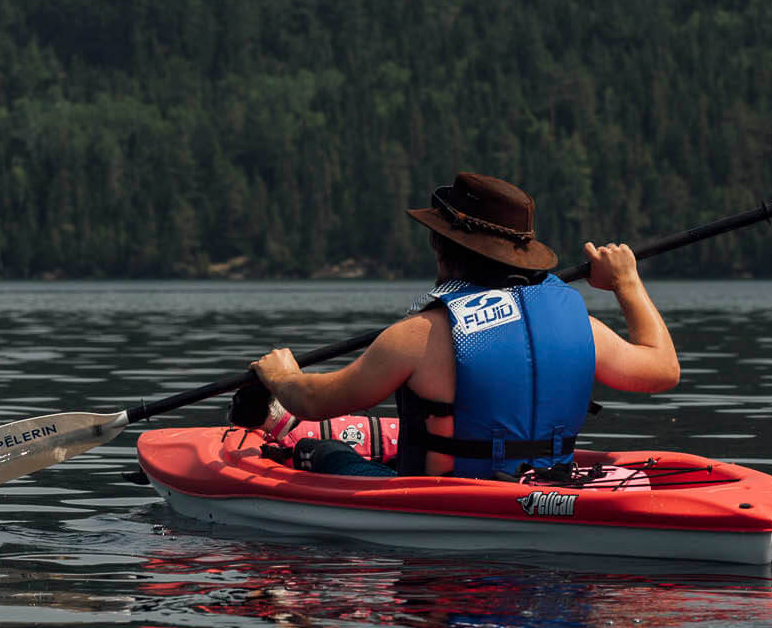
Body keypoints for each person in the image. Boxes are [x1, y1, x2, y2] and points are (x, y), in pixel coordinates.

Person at [249, 171, 678, 478]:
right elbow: (663, 370)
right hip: (548, 488)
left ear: (442, 248)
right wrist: (627, 281)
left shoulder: (420, 335)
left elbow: (314, 402)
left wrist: (282, 377)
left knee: (320, 450)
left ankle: (292, 436)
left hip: (440, 499)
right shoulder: (582, 327)